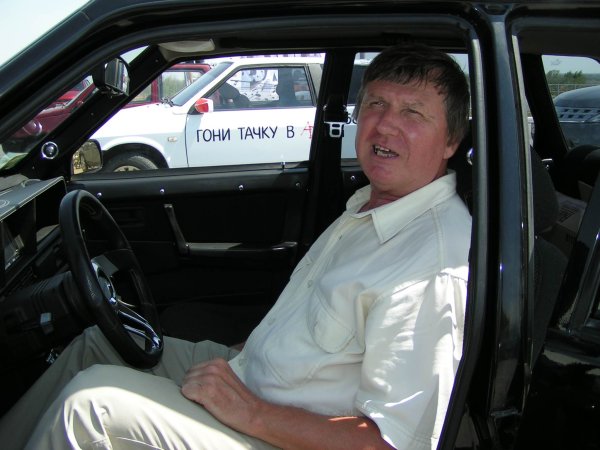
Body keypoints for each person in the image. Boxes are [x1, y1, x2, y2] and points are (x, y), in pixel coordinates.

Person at [0, 43, 471, 450]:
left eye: (412, 112)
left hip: (276, 433)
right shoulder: (370, 207)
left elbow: (391, 442)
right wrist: (239, 360)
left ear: (451, 140)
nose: (385, 125)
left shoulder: (431, 264)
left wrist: (250, 411)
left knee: (91, 408)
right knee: (96, 346)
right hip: (247, 378)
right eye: (375, 104)